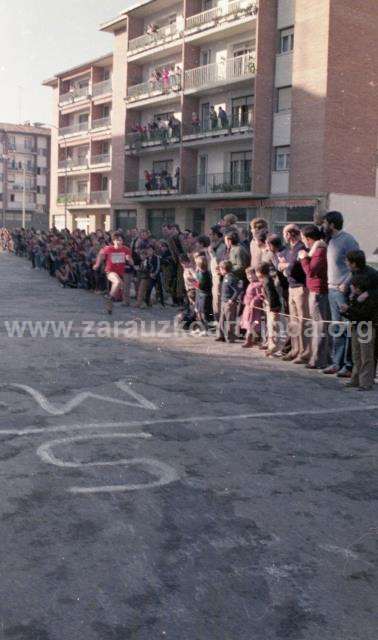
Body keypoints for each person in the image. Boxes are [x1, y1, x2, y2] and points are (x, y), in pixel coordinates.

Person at [322, 210, 359, 376]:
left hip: (342, 290)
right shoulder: (330, 240)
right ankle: (336, 363)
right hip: (331, 289)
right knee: (336, 328)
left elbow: (357, 265)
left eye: (325, 223)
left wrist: (345, 283)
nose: (323, 226)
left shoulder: (348, 240)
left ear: (332, 224)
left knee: (345, 328)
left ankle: (348, 366)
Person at [298, 225, 331, 369]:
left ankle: (318, 359)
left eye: (303, 239)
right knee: (317, 325)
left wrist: (304, 259)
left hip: (318, 292)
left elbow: (310, 272)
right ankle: (318, 358)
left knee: (319, 326)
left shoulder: (319, 251)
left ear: (309, 239)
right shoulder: (316, 250)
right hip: (315, 290)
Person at [278, 224, 310, 364]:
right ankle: (295, 350)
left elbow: (291, 267)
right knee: (293, 321)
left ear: (290, 234)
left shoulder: (300, 248)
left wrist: (285, 265)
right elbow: (281, 265)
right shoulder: (288, 249)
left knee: (302, 321)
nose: (284, 236)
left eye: (285, 233)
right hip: (291, 287)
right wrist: (284, 265)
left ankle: (304, 353)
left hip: (300, 288)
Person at [341, 274, 378, 390]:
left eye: (352, 286)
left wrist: (349, 309)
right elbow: (354, 313)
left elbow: (364, 314)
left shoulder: (368, 298)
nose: (351, 287)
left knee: (366, 355)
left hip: (366, 327)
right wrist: (345, 312)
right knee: (356, 354)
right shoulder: (355, 297)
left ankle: (366, 382)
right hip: (356, 326)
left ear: (358, 287)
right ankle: (355, 378)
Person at [93, 232, 134, 314]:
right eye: (117, 240)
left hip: (120, 273)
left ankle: (109, 304)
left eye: (120, 240)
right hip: (110, 271)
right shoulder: (109, 248)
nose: (119, 242)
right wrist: (97, 264)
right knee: (117, 282)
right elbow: (101, 254)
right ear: (113, 241)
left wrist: (129, 259)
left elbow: (132, 263)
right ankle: (110, 298)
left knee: (116, 288)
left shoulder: (126, 249)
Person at [256, 262, 282, 357]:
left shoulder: (267, 281)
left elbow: (271, 296)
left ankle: (274, 347)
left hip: (273, 307)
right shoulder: (266, 280)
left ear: (260, 272)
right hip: (269, 306)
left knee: (273, 326)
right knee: (270, 326)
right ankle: (271, 346)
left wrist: (273, 308)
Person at [216, 260, 241, 343]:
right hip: (224, 301)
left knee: (230, 320)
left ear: (224, 269)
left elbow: (237, 290)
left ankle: (231, 337)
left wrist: (232, 299)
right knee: (222, 319)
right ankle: (221, 335)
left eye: (220, 269)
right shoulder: (225, 277)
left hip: (229, 303)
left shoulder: (231, 278)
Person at [240, 267, 264, 348]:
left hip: (254, 308)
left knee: (252, 324)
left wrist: (254, 301)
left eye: (251, 276)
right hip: (248, 307)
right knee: (248, 323)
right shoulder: (250, 284)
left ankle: (249, 340)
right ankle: (254, 339)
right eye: (248, 277)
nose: (249, 278)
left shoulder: (258, 284)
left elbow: (260, 295)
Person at [208, 226, 226, 321]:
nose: (209, 236)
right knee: (214, 299)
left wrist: (211, 253)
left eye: (211, 234)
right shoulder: (214, 245)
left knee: (217, 299)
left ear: (216, 235)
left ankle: (218, 320)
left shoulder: (222, 247)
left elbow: (218, 262)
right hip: (213, 275)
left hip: (218, 276)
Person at [194, 253, 213, 333]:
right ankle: (200, 327)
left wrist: (193, 282)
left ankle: (205, 329)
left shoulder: (205, 274)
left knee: (203, 313)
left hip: (204, 295)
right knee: (198, 311)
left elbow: (200, 286)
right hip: (199, 294)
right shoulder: (199, 272)